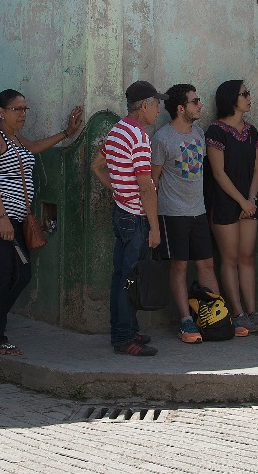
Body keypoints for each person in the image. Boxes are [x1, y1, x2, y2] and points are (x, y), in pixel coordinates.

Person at [0, 89, 81, 355]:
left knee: (21, 274)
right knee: (4, 275)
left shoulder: (16, 137)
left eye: (24, 109)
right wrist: (2, 218)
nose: (22, 114)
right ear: (1, 111)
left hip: (16, 218)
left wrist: (66, 133)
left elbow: (34, 148)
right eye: (16, 109)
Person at [90, 81, 163, 357]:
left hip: (121, 213)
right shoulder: (139, 137)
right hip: (136, 217)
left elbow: (96, 166)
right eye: (156, 105)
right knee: (130, 278)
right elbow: (146, 187)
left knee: (121, 276)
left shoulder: (117, 131)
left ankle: (125, 330)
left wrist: (118, 189)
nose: (158, 110)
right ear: (144, 106)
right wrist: (154, 227)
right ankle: (124, 338)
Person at [151, 84, 227, 342]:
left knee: (206, 263)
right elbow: (153, 180)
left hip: (198, 211)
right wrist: (153, 220)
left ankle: (216, 317)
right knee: (180, 265)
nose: (200, 105)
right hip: (172, 213)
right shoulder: (162, 139)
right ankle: (185, 321)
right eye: (195, 101)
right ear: (181, 108)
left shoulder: (198, 133)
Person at [205, 79, 258, 333]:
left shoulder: (251, 131)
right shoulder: (215, 131)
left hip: (249, 203)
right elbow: (218, 173)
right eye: (244, 94)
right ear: (231, 99)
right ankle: (237, 313)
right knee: (229, 258)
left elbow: (257, 168)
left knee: (246, 257)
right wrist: (242, 201)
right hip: (224, 202)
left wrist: (251, 199)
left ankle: (253, 312)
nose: (249, 98)